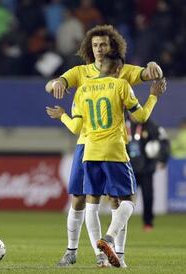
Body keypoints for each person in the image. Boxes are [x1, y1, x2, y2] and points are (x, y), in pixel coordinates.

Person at [44, 25, 163, 267]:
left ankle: (116, 255)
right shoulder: (80, 72)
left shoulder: (122, 71)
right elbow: (53, 84)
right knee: (82, 198)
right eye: (96, 45)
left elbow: (151, 73)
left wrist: (153, 65)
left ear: (112, 48)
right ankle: (79, 251)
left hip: (95, 147)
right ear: (90, 48)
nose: (99, 49)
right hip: (95, 146)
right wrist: (56, 82)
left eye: (104, 45)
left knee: (104, 200)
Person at [126, 116, 170, 231]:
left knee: (148, 196)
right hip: (128, 168)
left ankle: (148, 223)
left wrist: (162, 159)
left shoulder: (151, 125)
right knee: (125, 197)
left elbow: (164, 140)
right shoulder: (123, 123)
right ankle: (121, 223)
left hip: (146, 168)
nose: (134, 116)